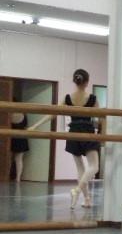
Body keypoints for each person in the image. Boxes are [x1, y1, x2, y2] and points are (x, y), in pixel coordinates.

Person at [28, 69, 100, 209]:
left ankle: (86, 199)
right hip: (87, 132)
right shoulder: (92, 98)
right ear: (87, 82)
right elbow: (101, 117)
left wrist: (35, 126)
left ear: (75, 81)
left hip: (73, 133)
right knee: (94, 166)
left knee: (80, 167)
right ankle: (77, 191)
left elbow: (53, 113)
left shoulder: (68, 98)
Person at [10, 100, 29, 183]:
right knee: (19, 159)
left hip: (11, 137)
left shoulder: (10, 114)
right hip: (22, 137)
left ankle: (6, 176)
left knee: (8, 158)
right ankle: (18, 178)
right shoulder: (24, 114)